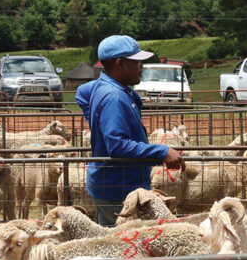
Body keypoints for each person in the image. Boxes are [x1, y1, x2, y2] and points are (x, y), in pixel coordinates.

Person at [76, 35, 183, 226]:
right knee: (124, 241)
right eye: (136, 62)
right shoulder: (113, 97)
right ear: (120, 63)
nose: (141, 66)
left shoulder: (108, 87)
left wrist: (97, 121)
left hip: (113, 184)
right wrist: (162, 152)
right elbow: (117, 146)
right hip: (119, 190)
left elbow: (82, 93)